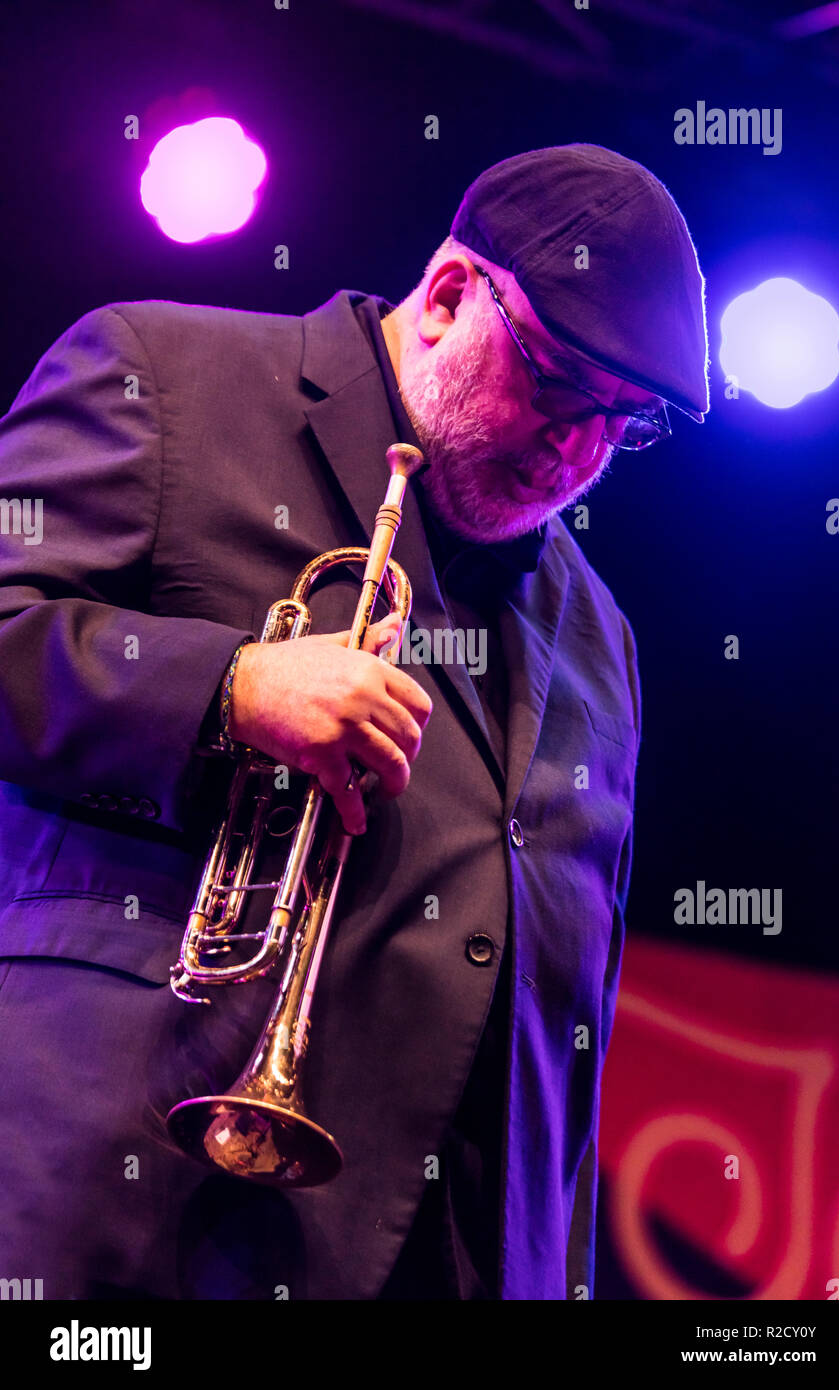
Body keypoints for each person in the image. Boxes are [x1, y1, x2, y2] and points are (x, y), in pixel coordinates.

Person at [0, 143, 708, 1300]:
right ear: (444, 296)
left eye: (622, 424)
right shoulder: (164, 375)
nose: (577, 447)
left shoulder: (602, 634)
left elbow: (561, 1029)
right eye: (557, 383)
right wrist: (226, 687)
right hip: (138, 1222)